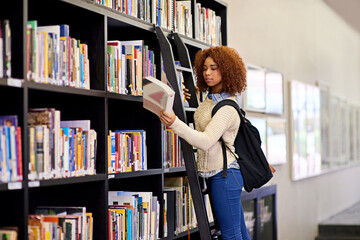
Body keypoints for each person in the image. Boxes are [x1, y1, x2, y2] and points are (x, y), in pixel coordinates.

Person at [159, 46, 250, 240]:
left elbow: (206, 141)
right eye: (205, 68)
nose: (207, 72)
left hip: (225, 176)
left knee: (231, 236)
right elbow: (202, 115)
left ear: (226, 71)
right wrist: (189, 95)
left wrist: (174, 123)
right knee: (239, 233)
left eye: (214, 68)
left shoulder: (227, 109)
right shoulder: (211, 100)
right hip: (219, 175)